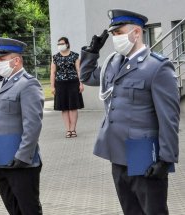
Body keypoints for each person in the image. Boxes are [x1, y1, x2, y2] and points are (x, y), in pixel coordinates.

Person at [80, 9, 180, 215]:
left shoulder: (157, 67)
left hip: (144, 153)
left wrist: (166, 159)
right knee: (130, 209)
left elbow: (169, 118)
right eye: (113, 34)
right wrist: (92, 52)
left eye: (119, 33)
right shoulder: (113, 63)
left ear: (136, 33)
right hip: (116, 152)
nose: (115, 38)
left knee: (153, 210)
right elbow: (87, 77)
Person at [0, 37, 44, 215]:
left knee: (29, 209)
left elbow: (33, 124)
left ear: (17, 60)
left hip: (21, 161)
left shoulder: (28, 84)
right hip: (1, 159)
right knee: (13, 209)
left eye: (2, 59)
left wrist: (23, 155)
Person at [50, 37, 84, 138]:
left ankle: (73, 129)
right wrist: (52, 86)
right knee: (64, 108)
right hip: (60, 84)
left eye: (62, 43)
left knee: (73, 107)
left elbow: (79, 70)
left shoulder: (75, 55)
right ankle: (68, 130)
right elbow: (52, 72)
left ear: (67, 44)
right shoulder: (55, 57)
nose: (60, 45)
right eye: (58, 44)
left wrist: (81, 83)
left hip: (73, 83)